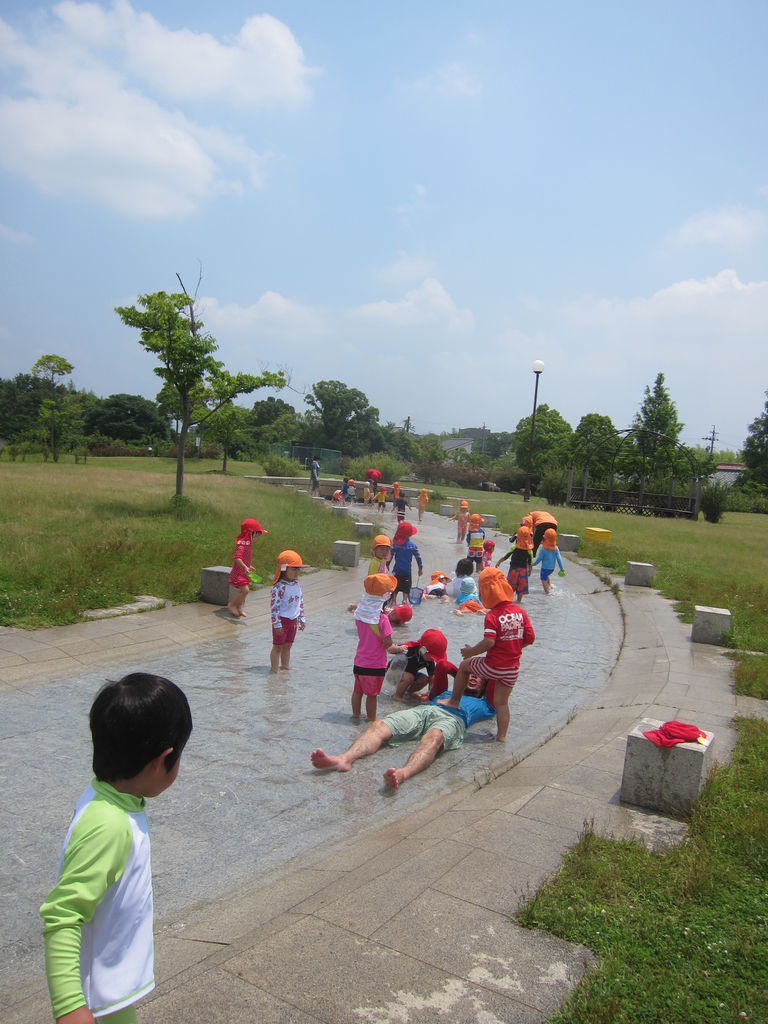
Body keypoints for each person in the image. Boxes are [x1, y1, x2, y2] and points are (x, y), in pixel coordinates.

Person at [40, 672, 193, 1024]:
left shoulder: (110, 794)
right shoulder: (108, 825)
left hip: (112, 990)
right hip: (97, 1001)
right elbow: (61, 916)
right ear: (162, 760)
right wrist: (70, 1009)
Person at [310, 688, 496, 790]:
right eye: (469, 673)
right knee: (380, 726)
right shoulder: (446, 691)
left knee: (434, 737)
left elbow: (502, 688)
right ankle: (343, 760)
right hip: (425, 710)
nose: (473, 676)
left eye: (478, 676)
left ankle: (403, 774)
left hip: (454, 719)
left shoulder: (485, 705)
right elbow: (440, 665)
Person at [440, 567, 535, 742]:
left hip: (494, 665)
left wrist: (470, 652)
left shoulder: (493, 615)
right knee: (501, 703)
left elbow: (489, 642)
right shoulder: (520, 612)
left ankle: (454, 701)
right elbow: (530, 638)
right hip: (512, 668)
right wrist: (513, 648)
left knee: (464, 666)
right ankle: (501, 737)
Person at [350, 574, 408, 721]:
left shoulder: (360, 616)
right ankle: (372, 720)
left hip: (359, 662)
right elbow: (388, 645)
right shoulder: (382, 620)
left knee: (357, 692)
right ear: (386, 597)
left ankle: (356, 715)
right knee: (372, 695)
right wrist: (400, 649)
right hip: (374, 665)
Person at [269, 550, 307, 673]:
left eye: (298, 569)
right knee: (278, 647)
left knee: (288, 645)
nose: (297, 572)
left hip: (293, 621)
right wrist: (277, 624)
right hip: (282, 621)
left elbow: (300, 603)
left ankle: (285, 666)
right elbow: (274, 608)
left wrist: (302, 619)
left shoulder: (296, 585)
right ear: (284, 569)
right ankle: (275, 670)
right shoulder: (278, 587)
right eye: (294, 569)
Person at [393, 629, 457, 701]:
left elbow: (432, 676)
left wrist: (431, 692)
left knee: (424, 679)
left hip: (409, 675)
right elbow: (390, 649)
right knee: (409, 677)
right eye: (433, 657)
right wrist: (397, 648)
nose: (433, 660)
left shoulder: (428, 660)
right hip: (393, 672)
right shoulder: (409, 649)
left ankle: (408, 692)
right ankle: (398, 696)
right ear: (423, 650)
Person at [227, 517, 268, 619]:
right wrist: (245, 567)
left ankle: (238, 608)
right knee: (245, 590)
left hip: (243, 572)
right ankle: (232, 605)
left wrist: (249, 566)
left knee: (244, 591)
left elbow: (244, 559)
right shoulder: (241, 546)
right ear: (250, 534)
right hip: (238, 573)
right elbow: (237, 558)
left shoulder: (248, 545)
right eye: (256, 536)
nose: (257, 539)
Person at [495, 524, 534, 603]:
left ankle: (508, 600)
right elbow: (530, 562)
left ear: (518, 536)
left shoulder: (515, 547)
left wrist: (499, 562)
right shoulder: (529, 550)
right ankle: (519, 601)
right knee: (521, 588)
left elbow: (506, 556)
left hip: (514, 570)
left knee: (510, 586)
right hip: (523, 571)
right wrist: (530, 570)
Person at [389, 522, 423, 604]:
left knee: (394, 587)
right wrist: (420, 569)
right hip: (407, 572)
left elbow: (390, 556)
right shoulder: (412, 546)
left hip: (396, 570)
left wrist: (387, 565)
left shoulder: (396, 545)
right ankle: (404, 601)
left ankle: (394, 601)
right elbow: (418, 558)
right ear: (410, 534)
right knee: (406, 588)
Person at [532, 527, 564, 594]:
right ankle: (550, 585)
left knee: (543, 578)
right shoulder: (556, 548)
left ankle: (547, 592)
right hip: (552, 569)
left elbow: (539, 559)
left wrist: (533, 564)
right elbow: (559, 558)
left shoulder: (543, 549)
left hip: (544, 568)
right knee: (546, 575)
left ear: (544, 538)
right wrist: (562, 568)